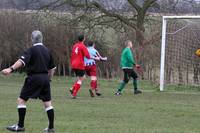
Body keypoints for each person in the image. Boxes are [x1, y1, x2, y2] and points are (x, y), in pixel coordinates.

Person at [1, 30, 56, 133]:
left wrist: (10, 69)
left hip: (34, 78)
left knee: (21, 100)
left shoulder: (31, 50)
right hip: (45, 79)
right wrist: (49, 79)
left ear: (32, 39)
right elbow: (52, 68)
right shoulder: (47, 51)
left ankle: (20, 126)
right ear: (42, 38)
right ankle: (51, 128)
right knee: (48, 104)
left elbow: (21, 61)